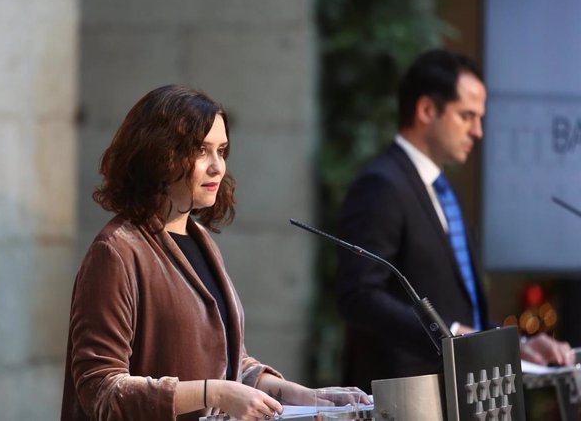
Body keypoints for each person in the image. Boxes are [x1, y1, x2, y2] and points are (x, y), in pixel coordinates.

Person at [61, 85, 368, 421]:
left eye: (222, 151)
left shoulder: (201, 240)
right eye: (200, 151)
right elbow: (101, 389)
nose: (217, 167)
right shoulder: (116, 251)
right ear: (158, 154)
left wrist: (300, 394)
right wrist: (213, 392)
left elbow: (227, 361)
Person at [336, 49, 574, 393]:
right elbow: (358, 296)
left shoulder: (445, 189)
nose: (478, 131)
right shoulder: (381, 184)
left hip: (462, 393)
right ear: (427, 110)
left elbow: (462, 317)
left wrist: (517, 346)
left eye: (480, 118)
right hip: (411, 399)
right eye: (467, 116)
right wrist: (448, 335)